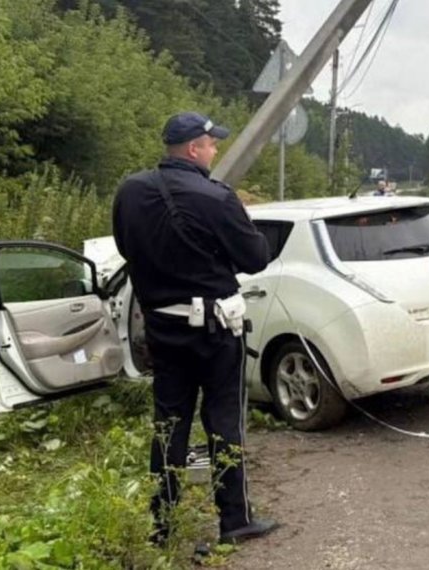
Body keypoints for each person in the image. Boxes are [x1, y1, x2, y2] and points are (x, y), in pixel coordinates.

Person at [112, 111, 278, 545]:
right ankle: (235, 521)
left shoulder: (130, 192)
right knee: (224, 420)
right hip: (216, 331)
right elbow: (256, 257)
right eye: (211, 143)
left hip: (162, 329)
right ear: (192, 149)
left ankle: (162, 525)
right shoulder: (216, 197)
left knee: (168, 425)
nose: (216, 148)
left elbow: (124, 246)